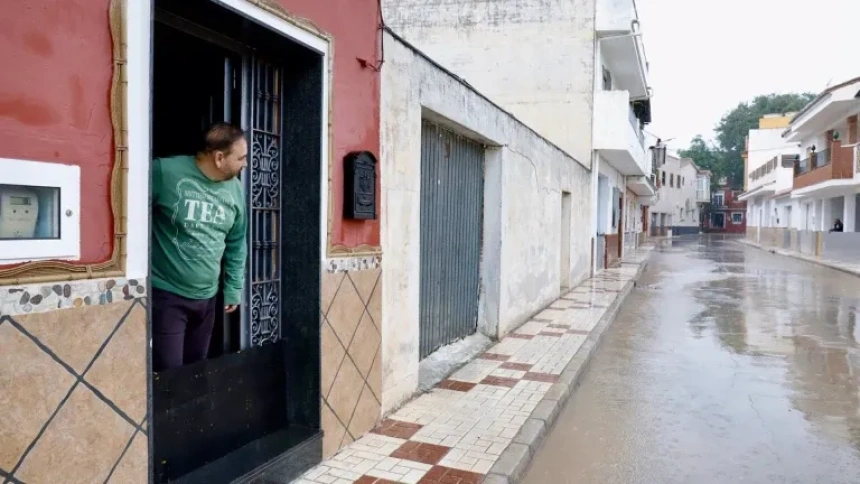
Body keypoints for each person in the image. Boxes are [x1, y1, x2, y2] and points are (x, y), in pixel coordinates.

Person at [150, 123, 248, 372]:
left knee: (195, 372)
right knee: (169, 376)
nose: (245, 164)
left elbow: (237, 241)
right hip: (168, 296)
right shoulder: (163, 172)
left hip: (207, 300)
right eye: (241, 158)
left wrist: (233, 288)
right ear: (219, 157)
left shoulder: (235, 189)